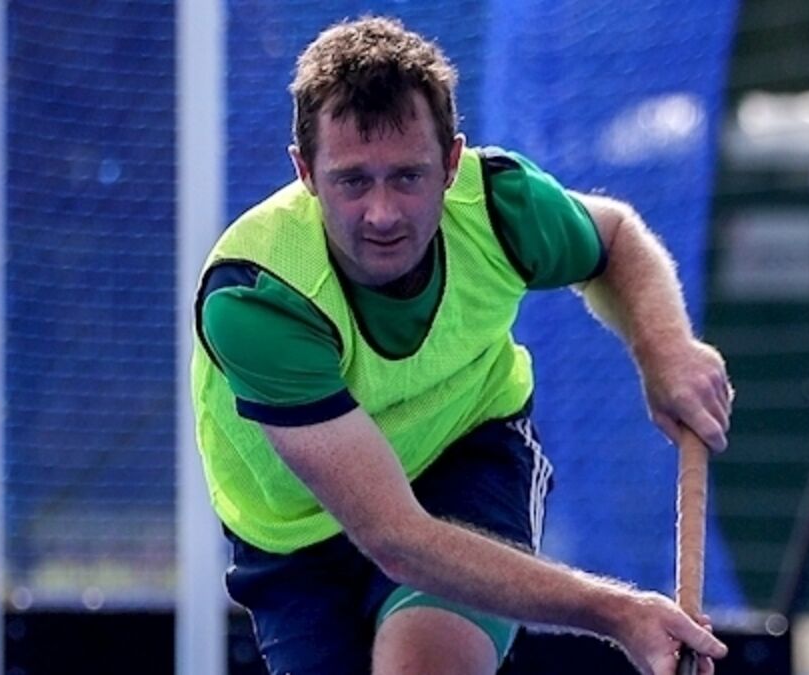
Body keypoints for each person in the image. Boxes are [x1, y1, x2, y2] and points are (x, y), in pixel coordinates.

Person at [190, 15, 733, 675]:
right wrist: (620, 612)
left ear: (452, 162)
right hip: (297, 532)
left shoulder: (501, 208)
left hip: (466, 454)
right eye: (353, 181)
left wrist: (665, 350)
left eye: (408, 176)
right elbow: (396, 538)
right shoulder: (260, 298)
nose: (383, 213)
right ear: (305, 170)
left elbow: (613, 238)